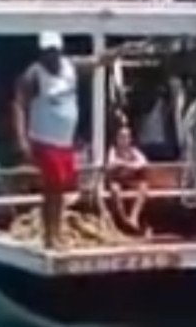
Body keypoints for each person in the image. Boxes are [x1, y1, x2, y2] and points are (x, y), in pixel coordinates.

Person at [12, 31, 120, 248]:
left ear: (60, 50)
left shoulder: (70, 66)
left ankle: (56, 231)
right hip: (43, 139)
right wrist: (22, 138)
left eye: (54, 51)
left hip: (64, 141)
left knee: (61, 188)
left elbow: (94, 62)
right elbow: (18, 104)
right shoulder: (34, 74)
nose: (50, 56)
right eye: (46, 52)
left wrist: (113, 55)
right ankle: (50, 236)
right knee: (53, 187)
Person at [104, 124, 149, 233]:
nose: (123, 140)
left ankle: (134, 217)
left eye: (126, 137)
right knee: (115, 190)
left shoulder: (133, 150)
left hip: (130, 181)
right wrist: (129, 164)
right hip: (117, 180)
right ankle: (124, 219)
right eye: (121, 137)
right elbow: (111, 164)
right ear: (117, 138)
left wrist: (125, 164)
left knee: (144, 187)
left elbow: (143, 162)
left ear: (130, 139)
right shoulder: (113, 150)